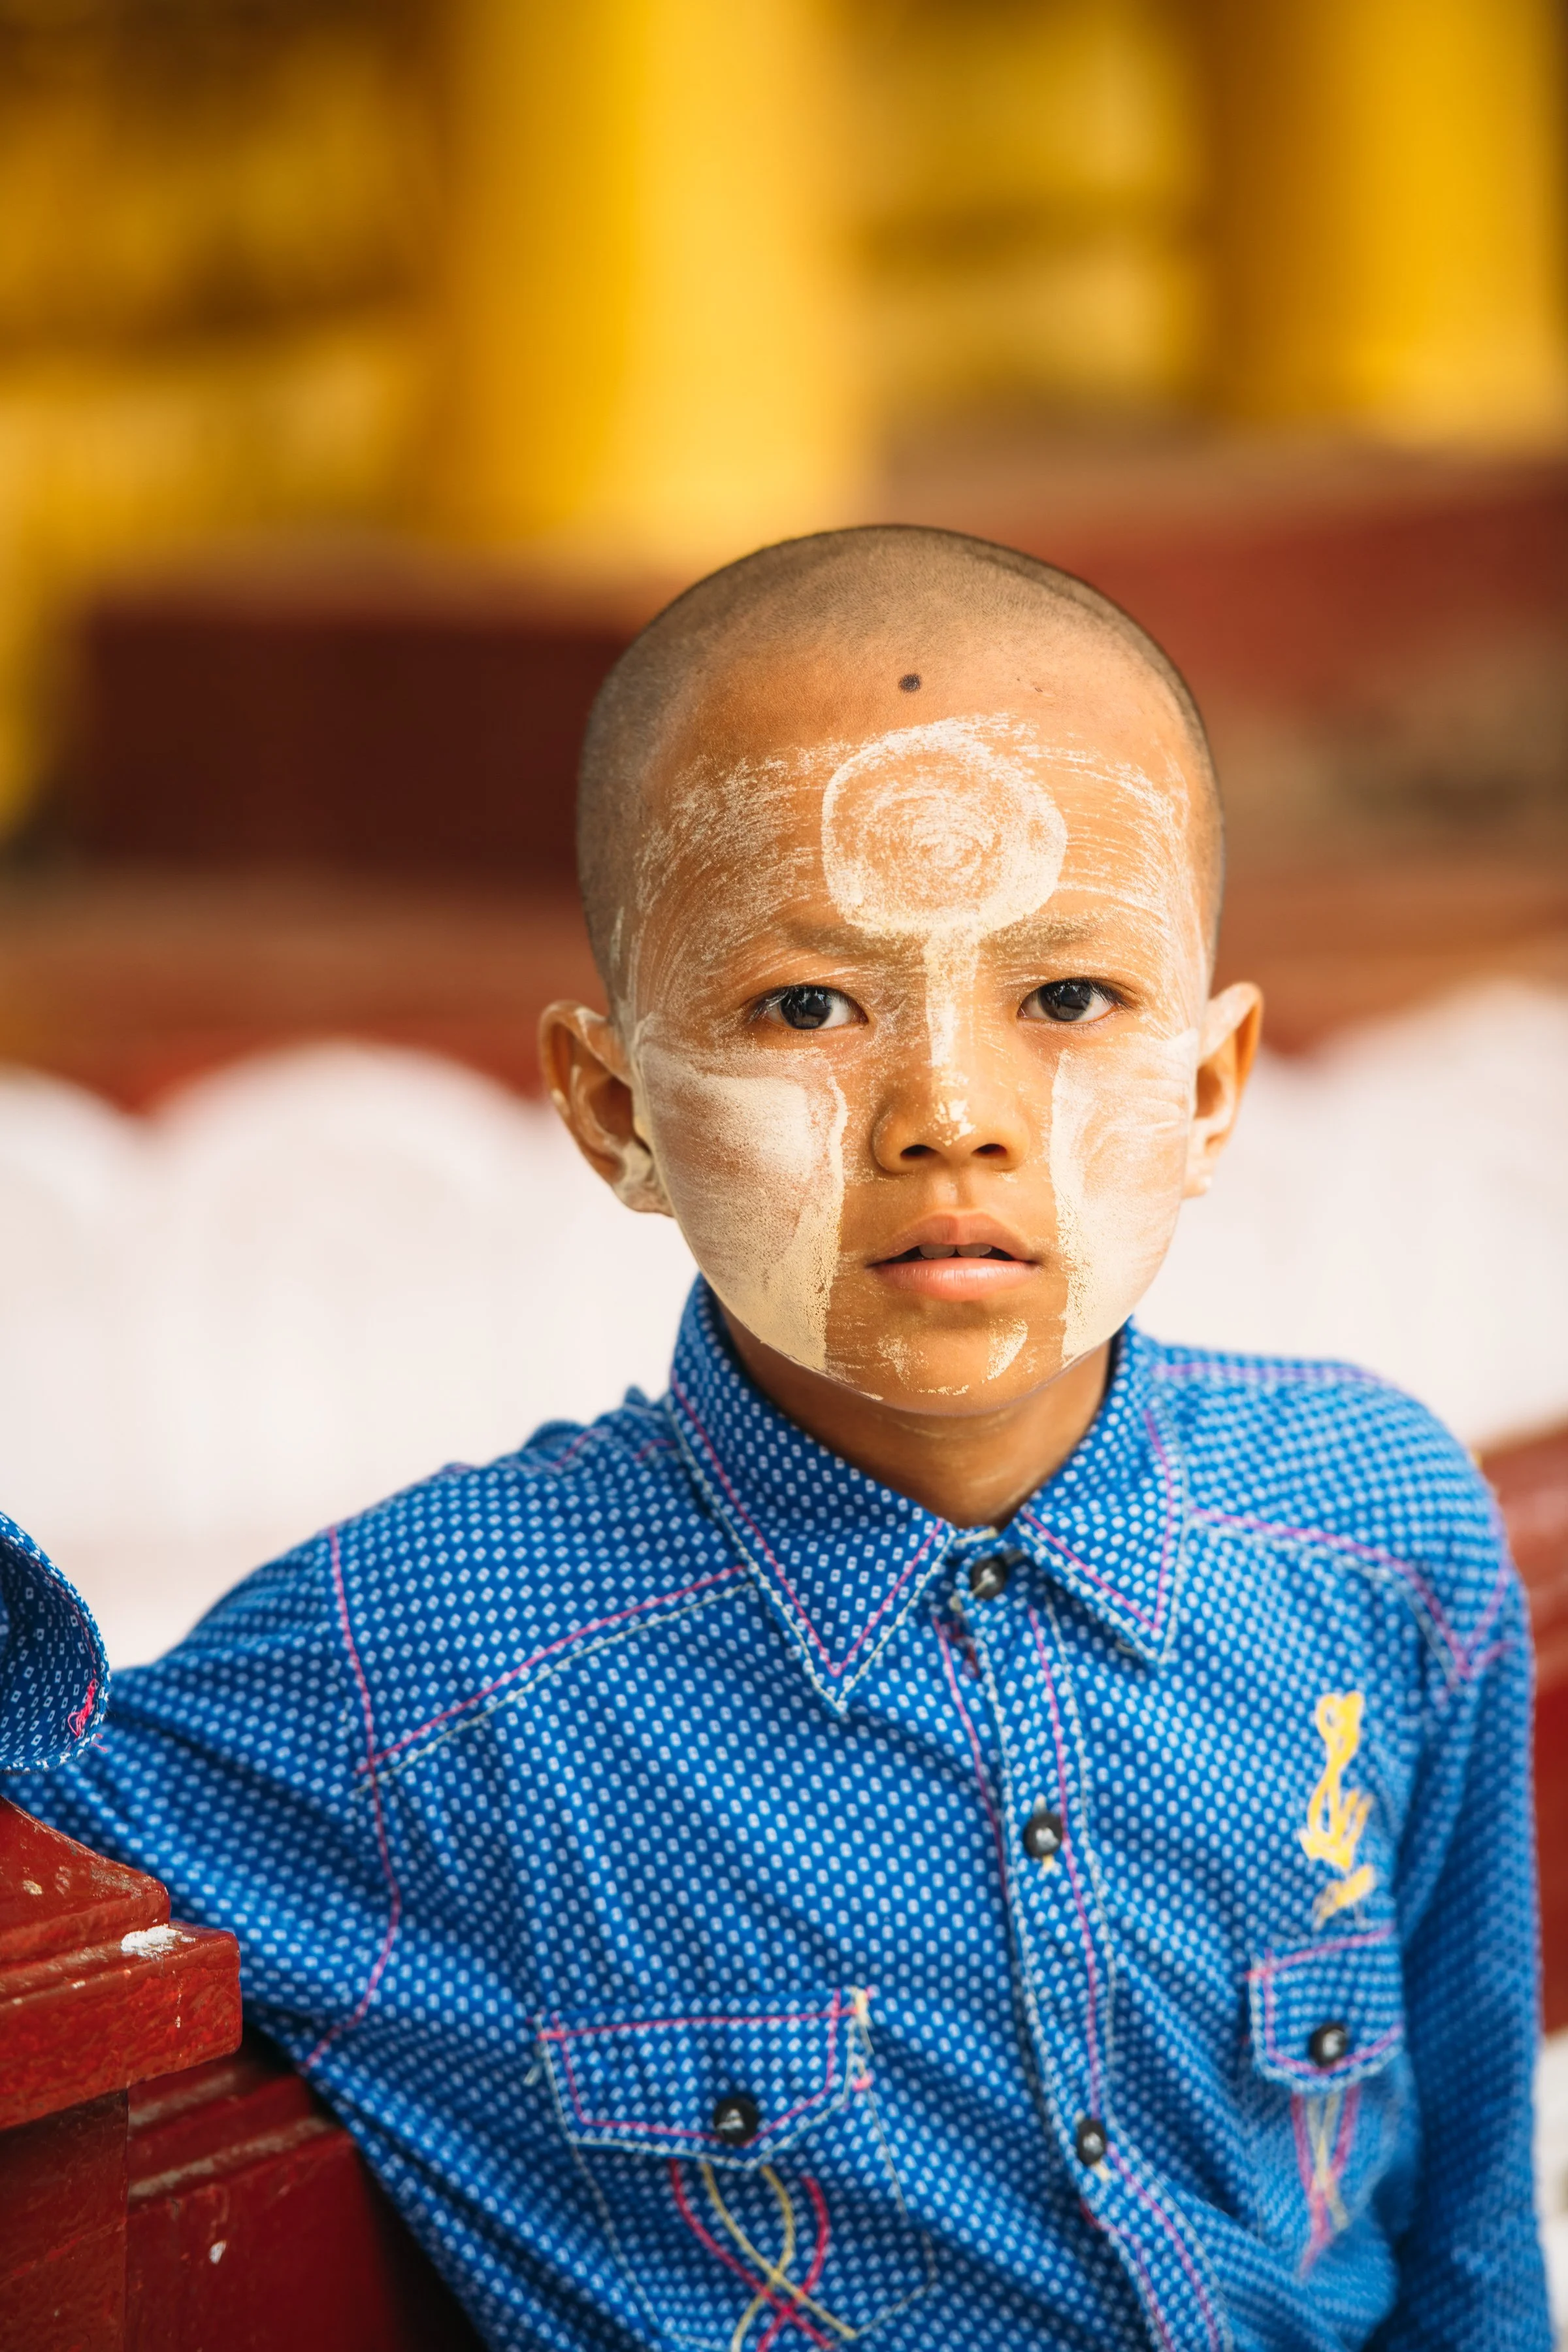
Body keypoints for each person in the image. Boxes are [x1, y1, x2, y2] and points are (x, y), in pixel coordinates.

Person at [1, 528, 1546, 2350]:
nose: (950, 1114)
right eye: (806, 1005)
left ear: (1209, 1090)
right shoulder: (434, 1661)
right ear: (615, 1113)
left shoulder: (1369, 1525)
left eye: (1068, 999)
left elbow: (1469, 2234)